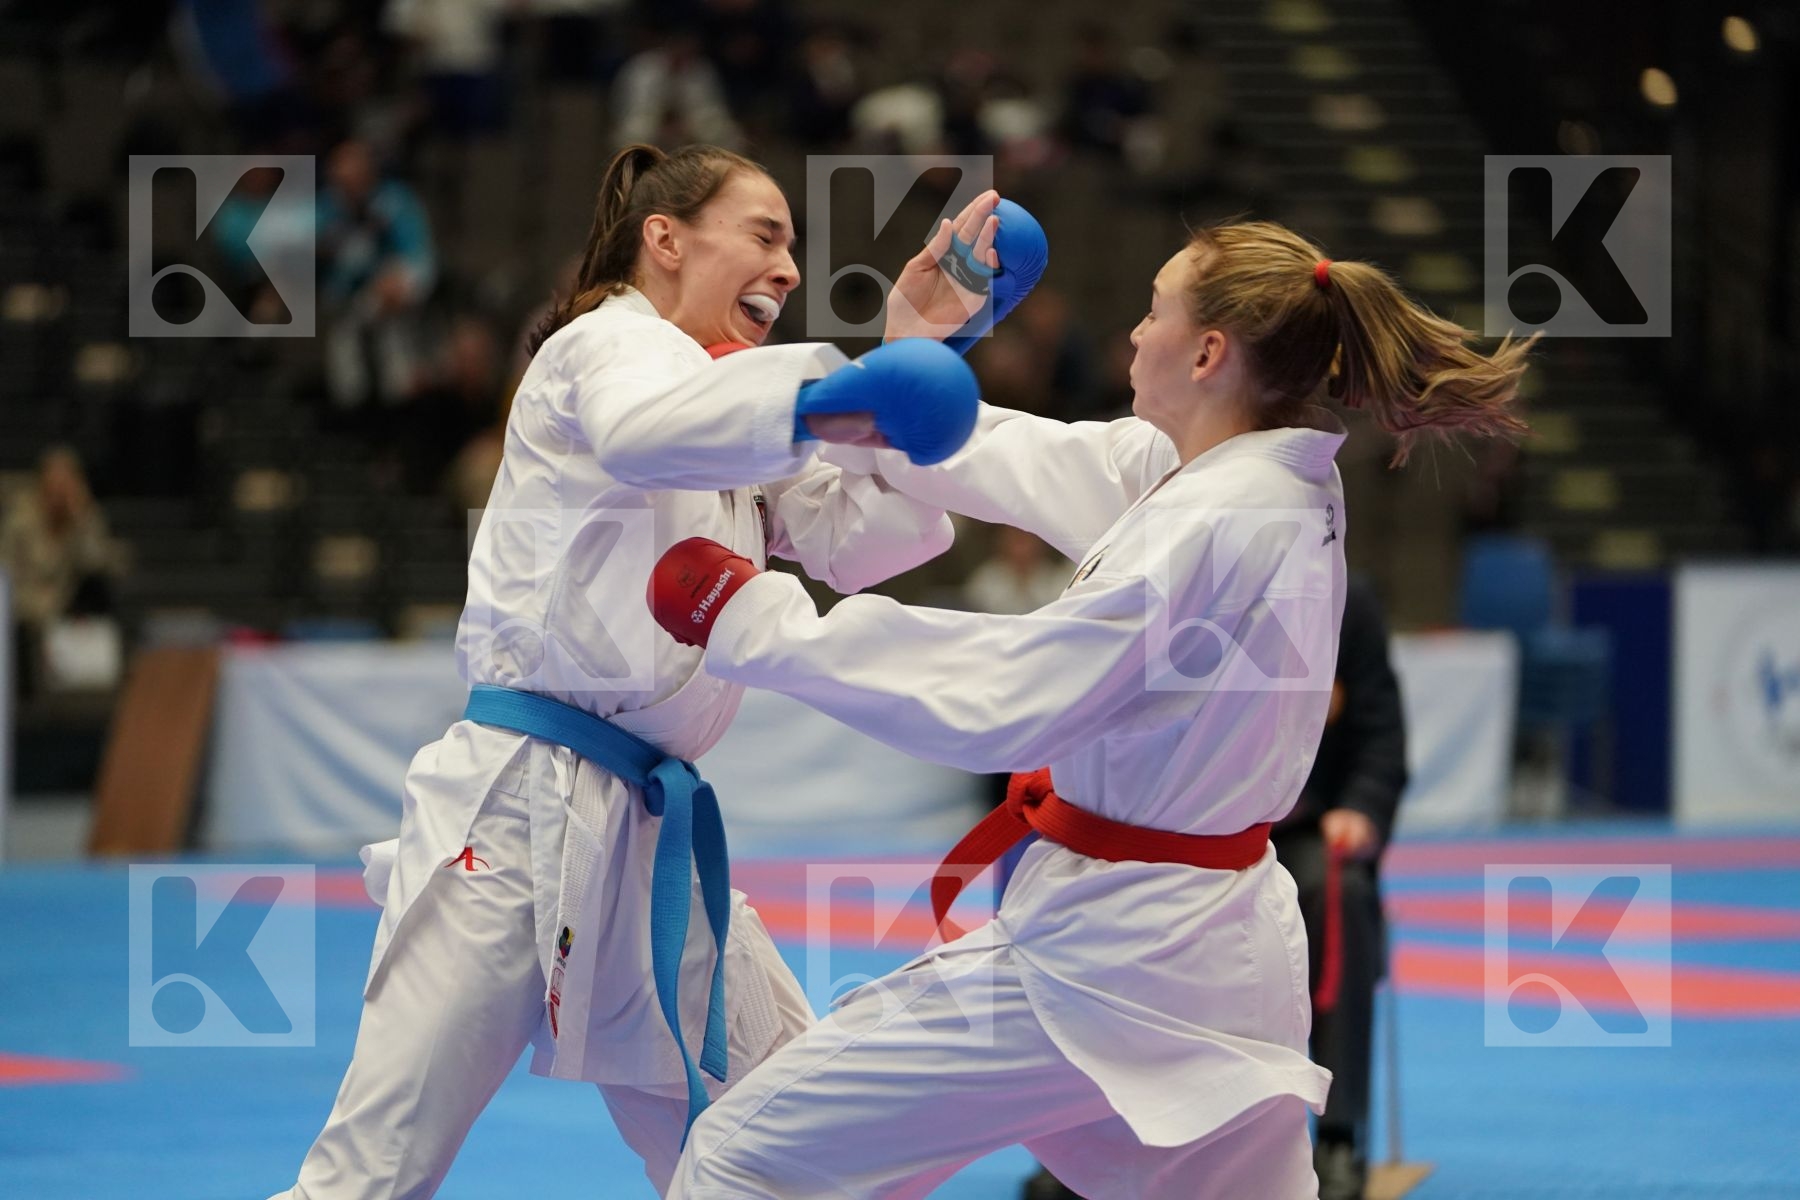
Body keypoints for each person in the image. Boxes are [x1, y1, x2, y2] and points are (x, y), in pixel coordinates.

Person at [647, 219, 1533, 1199]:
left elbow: (1009, 694)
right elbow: (1019, 456)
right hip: (1220, 953)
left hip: (1105, 960)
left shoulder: (1216, 515)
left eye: (1154, 312)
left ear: (1207, 353)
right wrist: (910, 354)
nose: (1132, 335)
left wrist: (752, 619)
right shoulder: (1253, 484)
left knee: (744, 1161)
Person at [269, 142, 996, 1200]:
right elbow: (645, 432)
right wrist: (830, 395)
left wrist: (914, 351)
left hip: (654, 832)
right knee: (375, 1171)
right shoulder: (601, 352)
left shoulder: (733, 402)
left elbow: (865, 541)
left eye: (791, 245)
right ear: (666, 238)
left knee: (782, 1151)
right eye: (765, 234)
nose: (789, 268)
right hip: (518, 812)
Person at [1273, 573, 1408, 1200]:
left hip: (1298, 830)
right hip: (1180, 825)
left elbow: (1382, 734)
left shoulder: (1345, 601)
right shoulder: (1179, 583)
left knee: (1343, 893)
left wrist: (1363, 808)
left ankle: (1338, 1135)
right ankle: (1083, 1139)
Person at [0, 447, 119, 701]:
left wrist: (80, 517)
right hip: (24, 602)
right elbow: (7, 570)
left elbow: (98, 561)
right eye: (54, 482)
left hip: (67, 602)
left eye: (66, 482)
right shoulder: (22, 517)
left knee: (98, 591)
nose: (59, 490)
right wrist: (38, 603)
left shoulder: (82, 514)